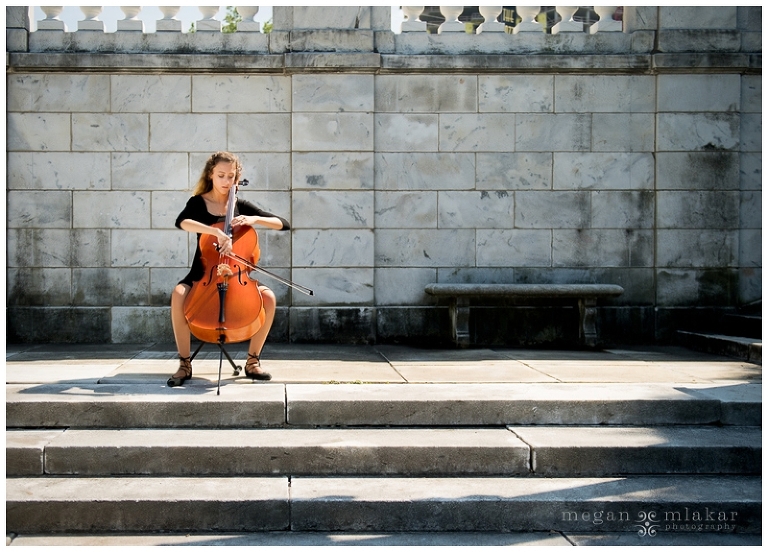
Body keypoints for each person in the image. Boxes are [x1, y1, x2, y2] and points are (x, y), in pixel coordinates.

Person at [167, 151, 290, 387]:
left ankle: (252, 361)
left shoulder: (240, 206)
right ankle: (184, 363)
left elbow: (283, 224)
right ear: (211, 175)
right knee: (178, 295)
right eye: (221, 175)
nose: (226, 181)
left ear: (236, 179)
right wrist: (214, 231)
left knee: (269, 298)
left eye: (231, 176)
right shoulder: (198, 202)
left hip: (236, 275)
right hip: (203, 273)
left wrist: (254, 220)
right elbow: (181, 221)